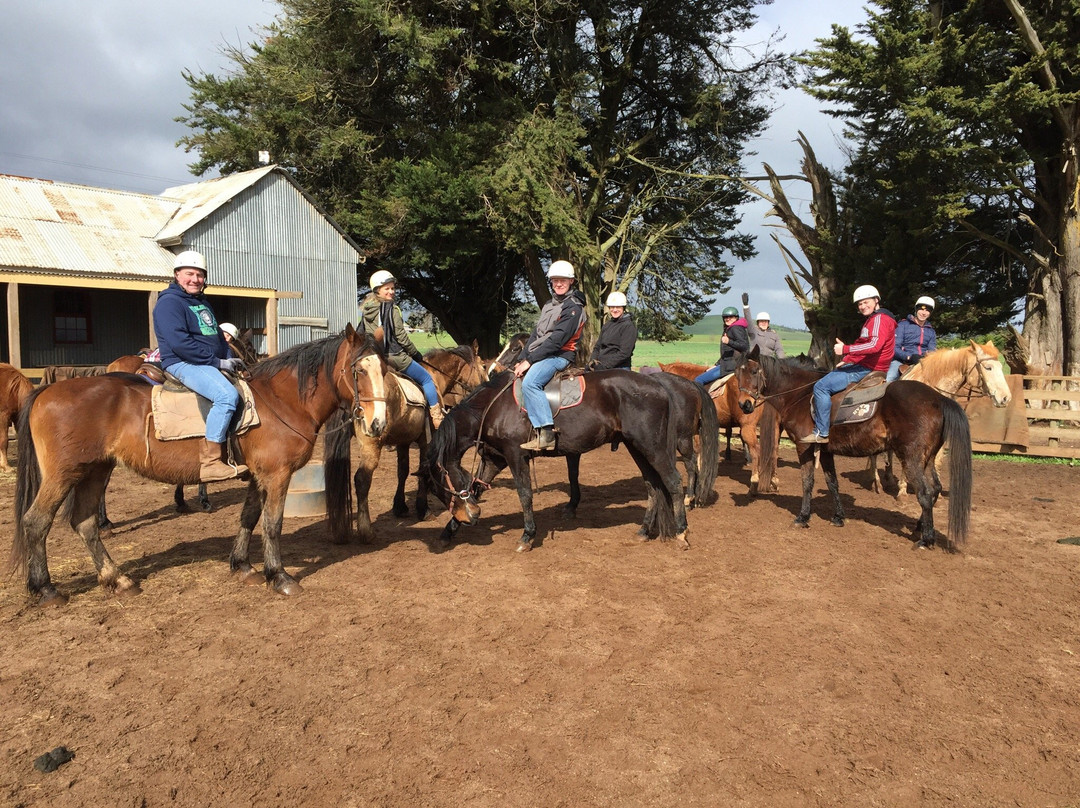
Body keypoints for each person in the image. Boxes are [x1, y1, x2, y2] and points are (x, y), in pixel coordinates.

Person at [153, 250, 249, 481]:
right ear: (177, 275)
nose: (195, 279)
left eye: (199, 275)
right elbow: (179, 343)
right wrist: (217, 362)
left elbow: (216, 335)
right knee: (226, 395)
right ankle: (212, 462)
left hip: (207, 361)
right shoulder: (169, 303)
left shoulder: (202, 302)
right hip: (182, 362)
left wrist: (229, 358)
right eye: (189, 274)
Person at [802, 284, 896, 444]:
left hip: (867, 368)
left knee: (820, 387)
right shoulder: (874, 320)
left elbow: (875, 346)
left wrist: (845, 349)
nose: (863, 306)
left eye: (866, 302)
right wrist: (849, 359)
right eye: (860, 304)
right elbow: (867, 347)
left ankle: (821, 432)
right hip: (868, 365)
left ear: (876, 300)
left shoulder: (879, 319)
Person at [514, 260, 587, 451]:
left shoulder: (573, 308)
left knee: (531, 383)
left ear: (571, 281)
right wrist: (522, 357)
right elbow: (536, 334)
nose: (558, 283)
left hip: (559, 355)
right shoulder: (549, 304)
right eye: (555, 280)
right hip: (543, 353)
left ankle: (546, 433)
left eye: (563, 280)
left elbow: (556, 341)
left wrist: (530, 361)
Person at [360, 270, 443, 428]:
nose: (391, 292)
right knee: (426, 379)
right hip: (395, 357)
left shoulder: (367, 311)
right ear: (378, 290)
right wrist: (415, 353)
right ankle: (436, 416)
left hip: (375, 358)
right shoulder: (392, 310)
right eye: (387, 288)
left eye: (393, 288)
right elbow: (401, 338)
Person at [694, 306, 750, 386]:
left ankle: (704, 398)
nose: (728, 319)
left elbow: (745, 347)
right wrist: (716, 364)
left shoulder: (735, 328)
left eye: (731, 317)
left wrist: (729, 341)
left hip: (731, 366)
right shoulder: (731, 328)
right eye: (726, 317)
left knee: (699, 380)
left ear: (736, 318)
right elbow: (727, 353)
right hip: (729, 363)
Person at [887, 295, 937, 381]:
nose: (923, 313)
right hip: (901, 362)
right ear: (916, 309)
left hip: (923, 363)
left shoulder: (931, 331)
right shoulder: (902, 325)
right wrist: (909, 357)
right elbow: (894, 347)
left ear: (930, 313)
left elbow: (932, 350)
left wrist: (928, 357)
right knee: (889, 378)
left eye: (927, 310)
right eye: (921, 309)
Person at [588, 291, 637, 371]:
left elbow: (624, 353)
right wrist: (592, 362)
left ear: (623, 308)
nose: (614, 310)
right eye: (612, 307)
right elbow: (597, 347)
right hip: (602, 366)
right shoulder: (607, 325)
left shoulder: (628, 326)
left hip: (620, 368)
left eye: (618, 307)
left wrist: (604, 366)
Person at [741, 293, 785, 359]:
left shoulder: (774, 335)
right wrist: (746, 306)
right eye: (761, 321)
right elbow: (748, 320)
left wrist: (783, 361)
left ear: (768, 323)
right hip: (755, 361)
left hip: (768, 362)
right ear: (758, 322)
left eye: (765, 321)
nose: (763, 323)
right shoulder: (753, 331)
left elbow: (779, 350)